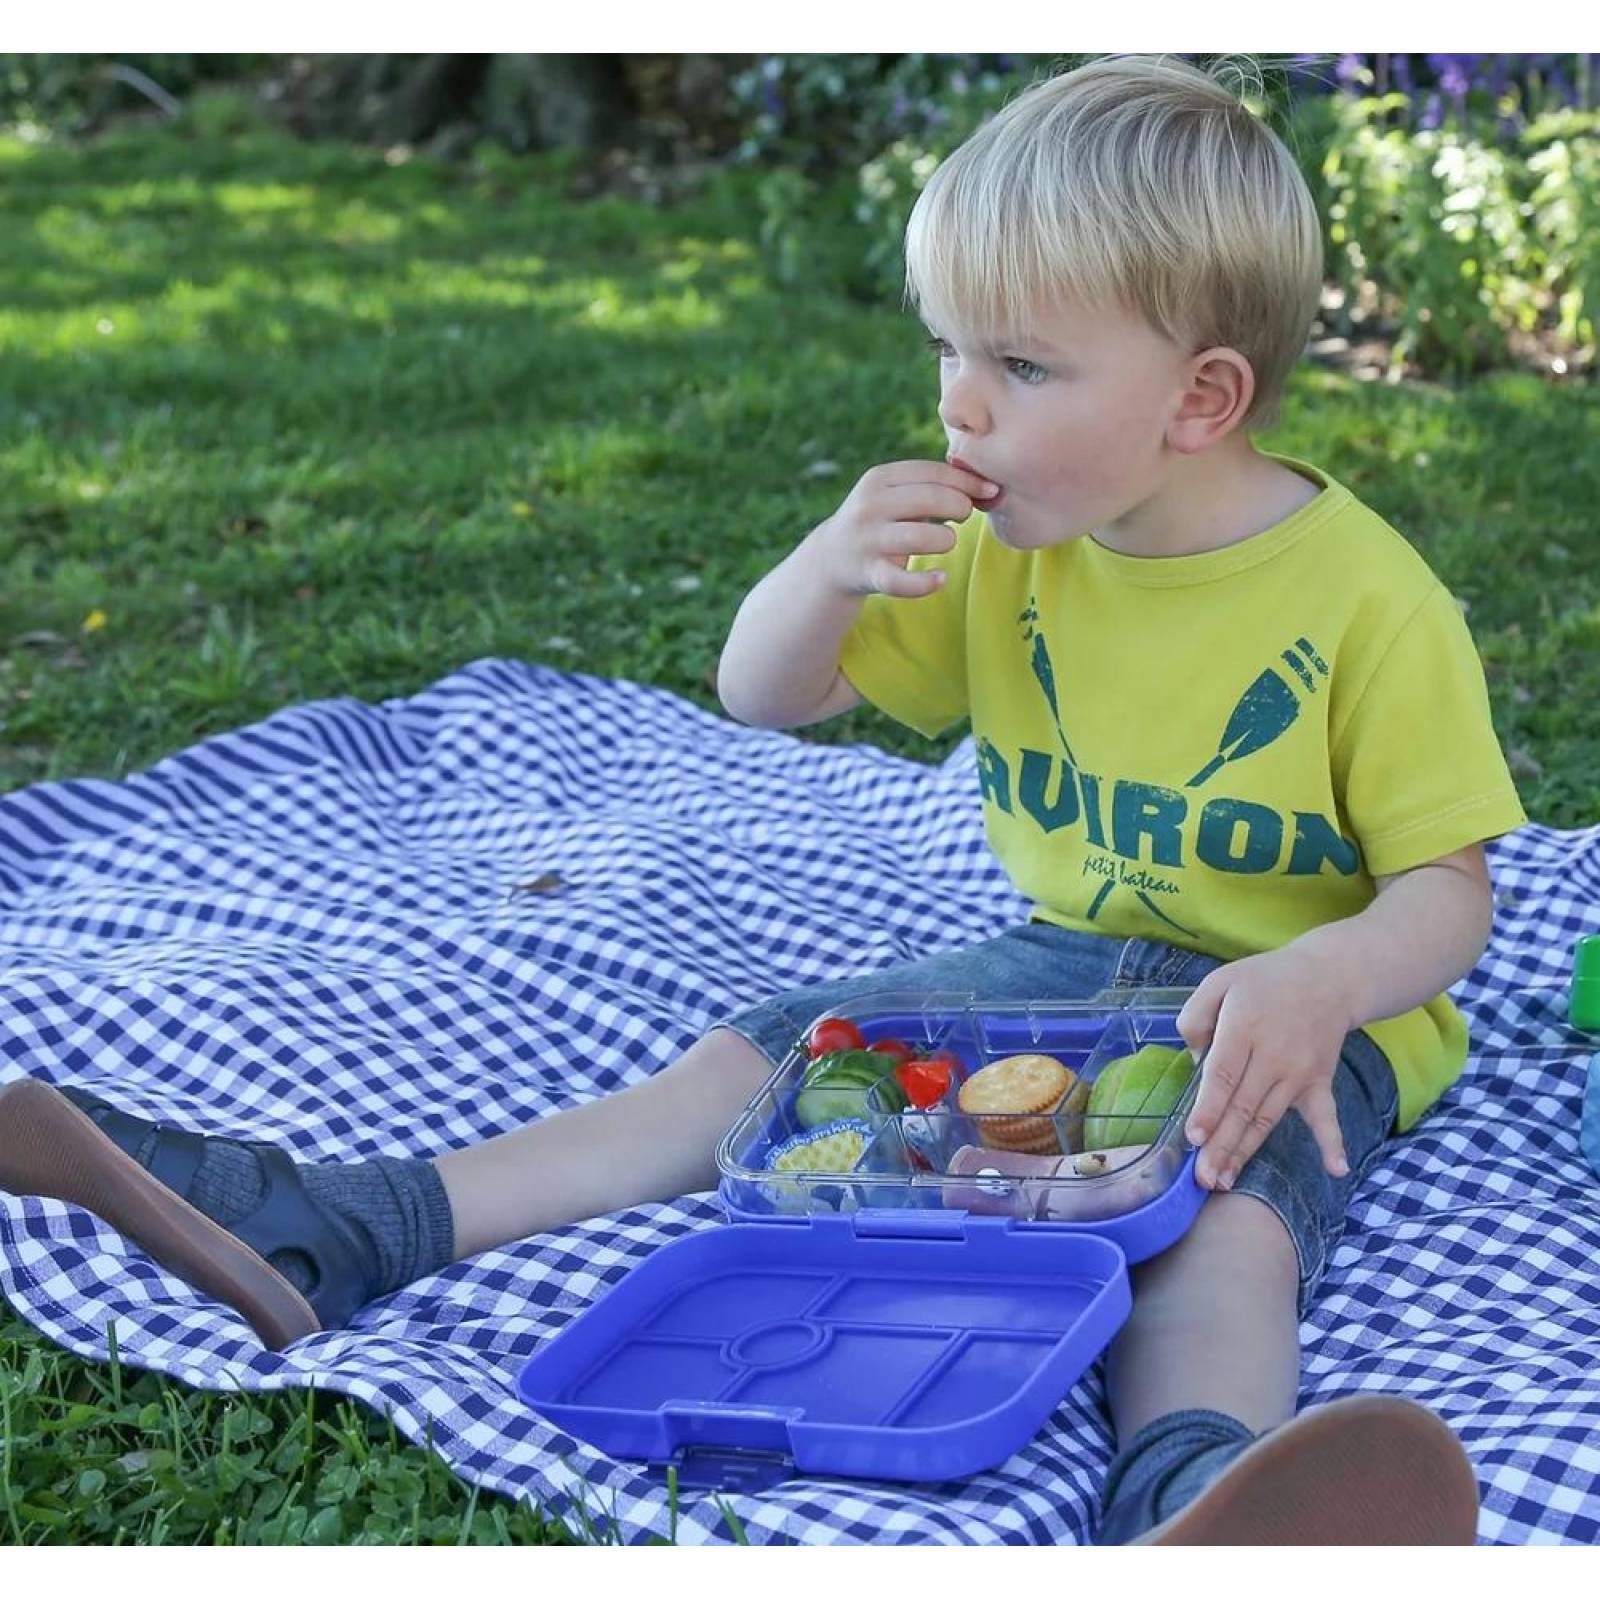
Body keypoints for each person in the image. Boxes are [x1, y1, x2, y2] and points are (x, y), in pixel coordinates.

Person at [0, 54, 1527, 1543]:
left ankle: (1198, 1490)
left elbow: (1448, 893)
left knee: (1223, 1210)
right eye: (947, 351)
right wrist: (822, 570)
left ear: (1201, 398)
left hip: (1294, 1015)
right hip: (1064, 960)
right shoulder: (1013, 545)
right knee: (773, 1057)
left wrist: (1321, 978)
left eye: (1023, 366)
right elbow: (763, 697)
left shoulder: (1369, 603)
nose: (961, 411)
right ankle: (342, 1226)